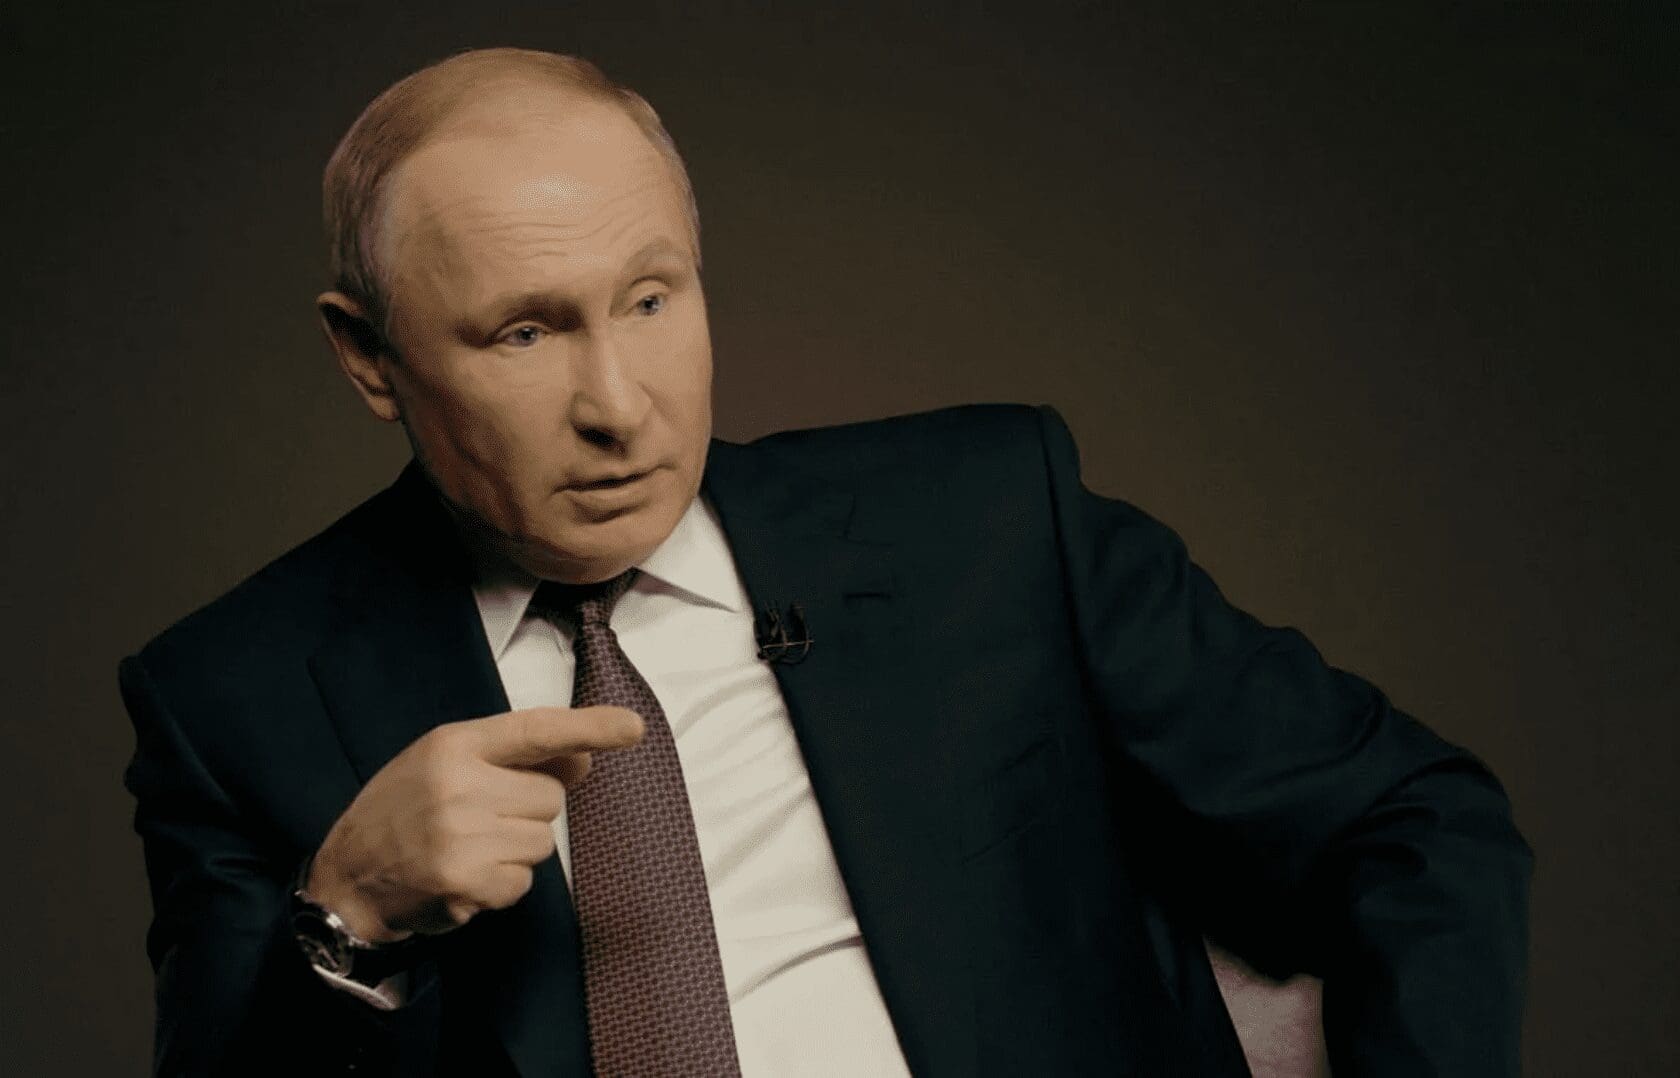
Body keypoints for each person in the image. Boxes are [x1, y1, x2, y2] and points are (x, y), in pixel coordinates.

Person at [118, 47, 1532, 1078]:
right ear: (369, 357)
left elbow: (1413, 820)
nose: (621, 404)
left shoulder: (988, 521)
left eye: (650, 299)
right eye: (525, 333)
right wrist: (350, 923)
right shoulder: (235, 698)